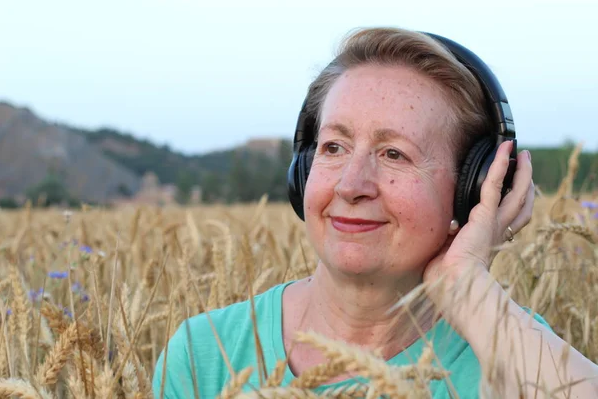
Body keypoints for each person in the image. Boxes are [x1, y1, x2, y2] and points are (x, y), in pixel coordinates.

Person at [152, 27, 598, 398]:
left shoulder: (509, 347)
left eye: (393, 154)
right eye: (333, 147)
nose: (350, 184)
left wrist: (463, 286)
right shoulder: (206, 354)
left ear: (474, 189)